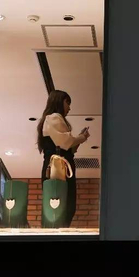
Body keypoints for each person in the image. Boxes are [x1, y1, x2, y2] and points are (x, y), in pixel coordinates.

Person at [36, 90, 90, 228]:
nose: (69, 108)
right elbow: (65, 142)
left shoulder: (50, 119)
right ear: (59, 101)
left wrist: (79, 139)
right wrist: (81, 138)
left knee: (59, 207)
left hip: (58, 167)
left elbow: (67, 146)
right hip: (59, 168)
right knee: (64, 206)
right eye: (67, 103)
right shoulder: (54, 117)